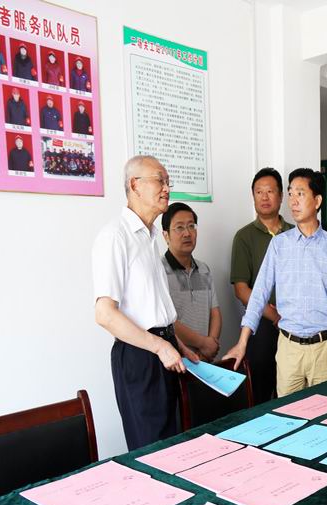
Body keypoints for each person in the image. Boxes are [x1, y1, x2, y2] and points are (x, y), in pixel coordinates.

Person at [92, 155, 200, 450]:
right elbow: (104, 314)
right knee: (152, 450)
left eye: (168, 182)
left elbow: (152, 307)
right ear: (134, 185)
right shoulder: (115, 236)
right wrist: (160, 346)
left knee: (177, 445)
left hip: (165, 350)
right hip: (140, 357)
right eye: (159, 180)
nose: (167, 188)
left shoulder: (150, 237)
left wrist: (177, 344)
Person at [224, 168, 327, 397]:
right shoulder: (279, 244)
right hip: (289, 348)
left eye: (300, 194)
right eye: (291, 194)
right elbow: (259, 294)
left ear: (317, 201)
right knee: (286, 414)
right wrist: (242, 342)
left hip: (324, 348)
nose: (293, 201)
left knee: (325, 414)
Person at [230, 167, 293, 403]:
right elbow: (241, 289)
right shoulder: (244, 236)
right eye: (259, 192)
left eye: (270, 191)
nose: (264, 197)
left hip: (295, 323)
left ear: (281, 196)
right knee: (260, 391)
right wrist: (273, 315)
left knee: (293, 393)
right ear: (253, 196)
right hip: (261, 324)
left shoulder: (294, 233)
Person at [161, 202, 222, 361]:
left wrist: (210, 345)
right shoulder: (159, 271)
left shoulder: (204, 269)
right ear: (166, 235)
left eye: (191, 226)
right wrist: (203, 343)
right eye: (179, 227)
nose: (187, 233)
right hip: (176, 360)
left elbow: (215, 312)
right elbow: (167, 322)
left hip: (204, 360)